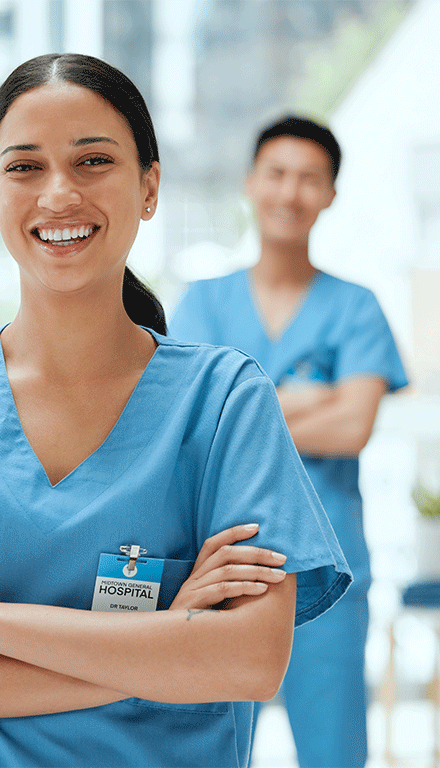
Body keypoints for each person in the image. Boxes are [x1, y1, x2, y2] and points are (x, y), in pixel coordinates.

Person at [0, 54, 353, 768]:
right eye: (25, 167)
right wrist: (165, 640)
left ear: (149, 187)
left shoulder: (224, 402)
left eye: (93, 160)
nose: (59, 194)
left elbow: (249, 661)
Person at [171, 115, 408, 768]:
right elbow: (190, 433)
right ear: (250, 183)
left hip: (325, 566)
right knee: (213, 747)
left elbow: (352, 426)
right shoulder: (203, 303)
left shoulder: (356, 306)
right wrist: (309, 401)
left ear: (331, 193)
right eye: (276, 174)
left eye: (310, 178)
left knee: (333, 750)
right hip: (220, 564)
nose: (290, 193)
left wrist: (248, 414)